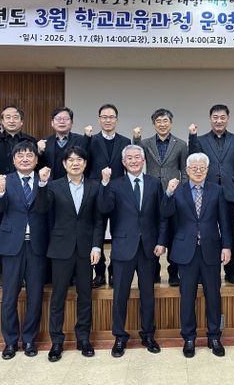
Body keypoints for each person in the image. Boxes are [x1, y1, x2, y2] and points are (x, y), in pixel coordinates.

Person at [34, 146, 104, 361]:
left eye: (79, 159)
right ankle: (56, 341)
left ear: (85, 163)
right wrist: (42, 184)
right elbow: (41, 208)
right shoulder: (54, 186)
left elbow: (98, 220)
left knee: (85, 296)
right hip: (60, 248)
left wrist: (97, 246)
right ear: (64, 164)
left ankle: (83, 338)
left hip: (85, 249)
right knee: (58, 296)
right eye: (71, 160)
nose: (75, 163)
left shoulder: (94, 186)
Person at [98, 144, 167, 358]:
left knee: (148, 294)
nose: (134, 161)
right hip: (123, 248)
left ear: (144, 161)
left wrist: (161, 241)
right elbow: (104, 208)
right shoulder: (114, 184)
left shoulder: (154, 183)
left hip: (148, 248)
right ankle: (119, 337)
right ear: (123, 162)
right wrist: (104, 183)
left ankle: (148, 334)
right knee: (120, 295)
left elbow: (162, 216)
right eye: (130, 158)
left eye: (138, 157)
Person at [162, 153, 232, 358]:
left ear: (207, 170)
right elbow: (165, 214)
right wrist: (168, 193)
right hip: (186, 251)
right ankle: (189, 338)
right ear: (187, 170)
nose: (198, 171)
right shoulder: (178, 190)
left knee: (213, 295)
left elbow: (224, 221)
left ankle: (214, 337)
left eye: (202, 168)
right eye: (194, 168)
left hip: (211, 249)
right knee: (187, 296)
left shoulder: (217, 190)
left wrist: (227, 246)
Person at [0, 141, 49, 359]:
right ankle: (10, 341)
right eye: (20, 155)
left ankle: (29, 339)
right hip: (11, 246)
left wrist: (43, 184)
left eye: (29, 155)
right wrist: (0, 191)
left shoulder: (44, 179)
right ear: (14, 160)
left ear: (36, 159)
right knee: (9, 296)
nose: (25, 159)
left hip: (37, 245)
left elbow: (46, 210)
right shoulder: (5, 180)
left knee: (35, 295)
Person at [188, 104, 234, 284]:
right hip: (207, 193)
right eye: (215, 117)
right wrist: (192, 137)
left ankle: (231, 271)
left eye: (222, 117)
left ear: (228, 119)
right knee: (206, 231)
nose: (219, 121)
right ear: (210, 119)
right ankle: (205, 270)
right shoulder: (201, 140)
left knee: (230, 231)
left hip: (230, 192)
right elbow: (193, 160)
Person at [0, 105, 37, 290]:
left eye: (16, 117)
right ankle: (1, 274)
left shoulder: (30, 141)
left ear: (22, 121)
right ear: (2, 121)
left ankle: (26, 273)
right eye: (7, 117)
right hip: (0, 190)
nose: (12, 120)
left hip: (24, 191)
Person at [133, 108, 188, 286]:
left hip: (174, 195)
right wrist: (136, 138)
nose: (162, 124)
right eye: (158, 121)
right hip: (151, 194)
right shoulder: (146, 143)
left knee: (173, 233)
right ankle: (154, 271)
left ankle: (173, 272)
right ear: (153, 124)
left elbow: (184, 171)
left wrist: (182, 191)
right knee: (152, 232)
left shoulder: (181, 145)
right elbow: (136, 156)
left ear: (171, 123)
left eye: (165, 121)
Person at [88, 103, 131, 288]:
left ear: (116, 120)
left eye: (111, 117)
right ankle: (99, 272)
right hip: (96, 192)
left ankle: (114, 271)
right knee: (97, 231)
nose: (108, 120)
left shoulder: (125, 141)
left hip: (118, 193)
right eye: (104, 117)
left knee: (117, 232)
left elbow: (128, 168)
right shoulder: (91, 140)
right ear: (99, 119)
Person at [37, 106, 92, 181]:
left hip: (74, 183)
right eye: (58, 118)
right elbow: (39, 166)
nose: (62, 121)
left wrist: (88, 138)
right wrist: (39, 152)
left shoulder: (81, 140)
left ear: (71, 123)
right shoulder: (45, 142)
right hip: (52, 184)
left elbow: (88, 162)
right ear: (52, 123)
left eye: (66, 119)